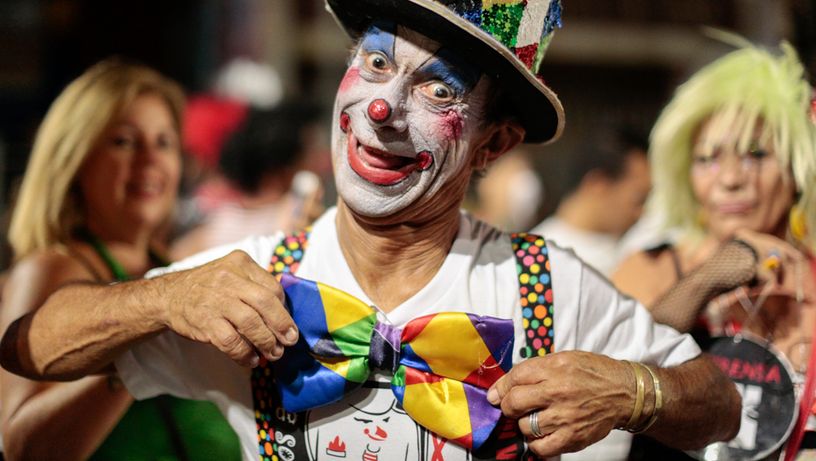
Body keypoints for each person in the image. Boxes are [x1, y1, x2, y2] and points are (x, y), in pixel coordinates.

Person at [0, 2, 740, 460]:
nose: (383, 108)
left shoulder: (547, 281)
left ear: (493, 145)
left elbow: (722, 404)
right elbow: (29, 344)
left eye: (437, 89)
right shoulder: (255, 282)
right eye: (377, 62)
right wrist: (162, 300)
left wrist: (640, 392)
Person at [0, 59, 240, 460]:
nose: (150, 161)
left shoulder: (166, 265)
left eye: (164, 143)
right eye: (124, 141)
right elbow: (22, 445)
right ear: (75, 158)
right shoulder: (53, 266)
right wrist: (137, 350)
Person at [612, 41, 816, 459]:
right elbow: (616, 370)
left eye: (756, 154)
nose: (730, 180)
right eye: (707, 159)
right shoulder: (654, 266)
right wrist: (710, 277)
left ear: (798, 166)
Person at [171, 102, 325, 260]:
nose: (323, 161)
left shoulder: (219, 222)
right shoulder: (293, 220)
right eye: (311, 153)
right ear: (281, 171)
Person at [531, 126, 650, 276]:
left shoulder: (631, 251)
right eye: (638, 199)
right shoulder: (536, 260)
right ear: (598, 185)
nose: (641, 213)